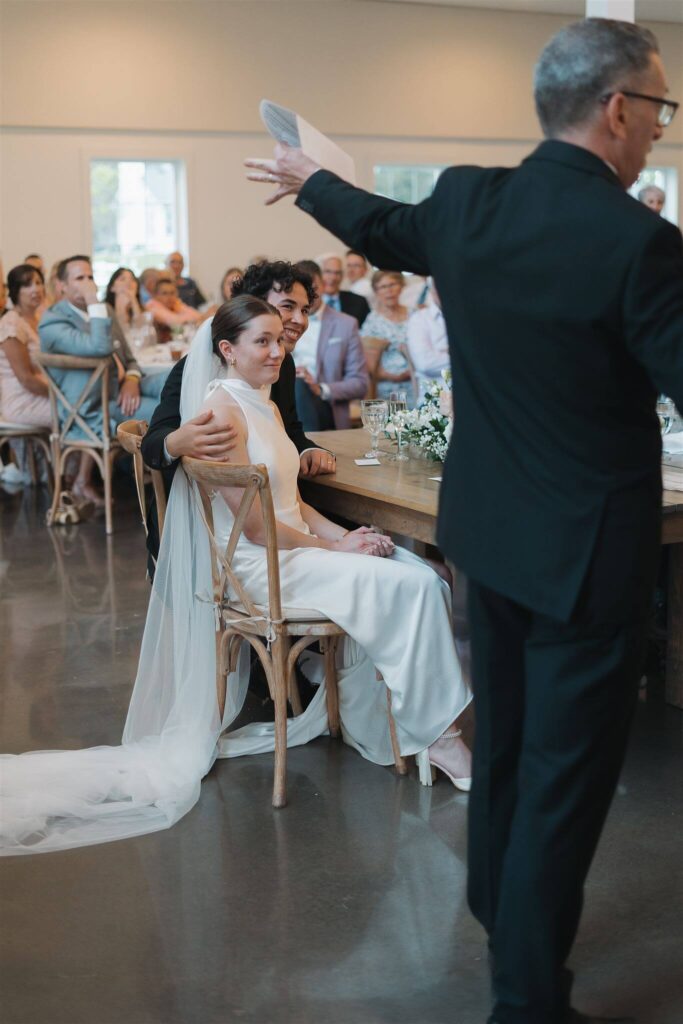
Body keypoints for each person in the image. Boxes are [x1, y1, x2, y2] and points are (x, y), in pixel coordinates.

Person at [245, 17, 682, 1024]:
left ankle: (500, 904)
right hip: (586, 560)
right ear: (616, 109)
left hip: (485, 542)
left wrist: (307, 178)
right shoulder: (639, 245)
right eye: (656, 107)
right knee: (564, 780)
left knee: (512, 747)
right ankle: (525, 997)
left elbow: (376, 225)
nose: (657, 129)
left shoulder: (467, 201)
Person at [0, 296, 472, 856]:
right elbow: (253, 528)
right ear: (227, 349)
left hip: (293, 547)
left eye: (280, 339)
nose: (277, 350)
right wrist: (338, 545)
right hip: (262, 565)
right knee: (414, 584)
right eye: (262, 341)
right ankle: (441, 737)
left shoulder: (267, 405)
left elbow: (293, 503)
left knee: (423, 570)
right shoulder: (223, 413)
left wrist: (344, 537)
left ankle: (410, 717)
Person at [141, 260, 338, 565]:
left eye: (305, 310)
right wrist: (179, 441)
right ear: (254, 305)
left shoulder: (281, 364)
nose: (299, 320)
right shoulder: (195, 368)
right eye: (288, 306)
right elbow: (152, 446)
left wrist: (307, 450)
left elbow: (289, 429)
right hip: (197, 523)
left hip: (269, 511)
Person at [39, 255, 168, 502]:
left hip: (125, 387)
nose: (88, 283)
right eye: (80, 278)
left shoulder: (104, 311)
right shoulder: (53, 322)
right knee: (169, 409)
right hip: (95, 406)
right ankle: (171, 483)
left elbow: (129, 357)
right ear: (61, 286)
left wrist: (131, 378)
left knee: (175, 379)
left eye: (90, 277)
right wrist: (92, 301)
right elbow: (99, 347)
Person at [291, 260, 368, 430]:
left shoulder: (346, 324)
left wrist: (320, 388)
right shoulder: (280, 323)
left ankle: (309, 450)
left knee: (300, 386)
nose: (308, 297)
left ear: (324, 286)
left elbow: (360, 383)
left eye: (313, 289)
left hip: (325, 407)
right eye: (301, 291)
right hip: (284, 403)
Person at [0, 264, 51, 427]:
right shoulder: (11, 323)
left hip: (44, 393)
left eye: (38, 282)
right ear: (16, 290)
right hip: (22, 400)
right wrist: (60, 395)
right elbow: (26, 378)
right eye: (27, 285)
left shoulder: (42, 318)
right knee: (79, 412)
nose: (35, 289)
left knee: (87, 408)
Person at [360, 271, 413, 403]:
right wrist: (392, 376)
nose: (389, 291)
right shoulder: (372, 321)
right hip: (386, 388)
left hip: (414, 384)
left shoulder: (414, 315)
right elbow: (368, 363)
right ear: (376, 291)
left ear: (401, 286)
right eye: (383, 287)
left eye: (392, 284)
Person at [406, 279, 450, 394]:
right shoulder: (420, 319)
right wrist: (462, 358)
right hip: (436, 398)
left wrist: (444, 352)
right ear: (432, 291)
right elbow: (425, 364)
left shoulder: (468, 316)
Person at [146, 275, 204, 343]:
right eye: (164, 293)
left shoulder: (176, 304)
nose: (170, 297)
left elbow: (198, 316)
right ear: (155, 296)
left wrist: (197, 318)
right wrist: (194, 319)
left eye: (172, 293)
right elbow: (175, 322)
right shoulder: (152, 307)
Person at [318, 253, 370, 326]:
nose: (333, 277)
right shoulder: (309, 302)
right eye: (328, 272)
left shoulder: (359, 302)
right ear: (318, 274)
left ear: (343, 275)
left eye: (337, 273)